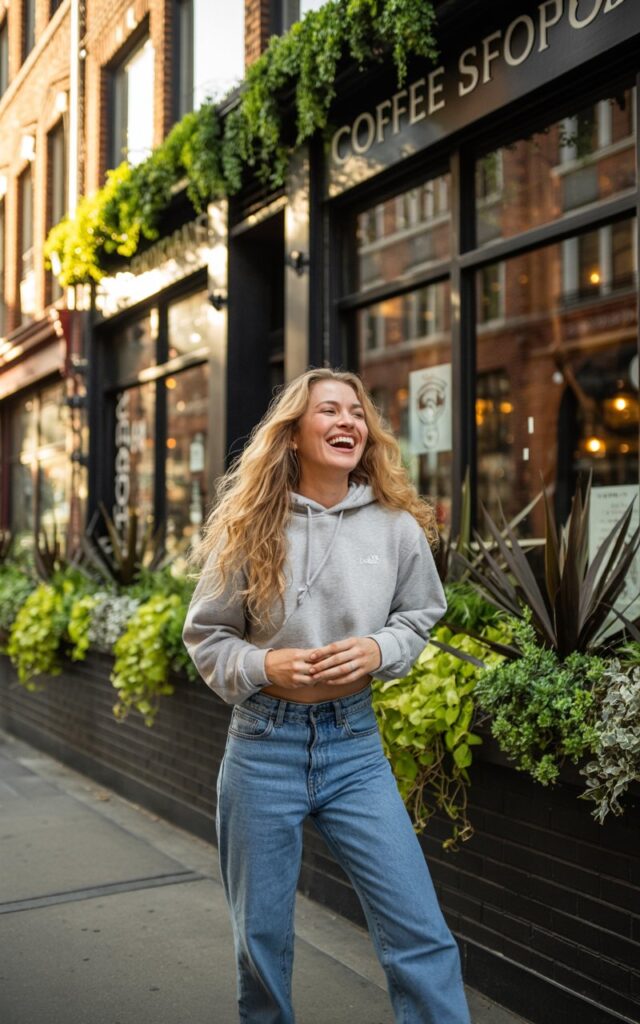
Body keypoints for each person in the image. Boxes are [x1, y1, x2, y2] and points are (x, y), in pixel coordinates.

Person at [182, 368, 471, 1024]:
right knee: (261, 943)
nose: (347, 422)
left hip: (354, 747)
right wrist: (265, 663)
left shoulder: (394, 525)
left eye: (357, 413)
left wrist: (378, 651)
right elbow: (206, 636)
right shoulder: (252, 524)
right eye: (329, 411)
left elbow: (420, 616)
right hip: (263, 746)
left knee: (419, 933)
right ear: (293, 434)